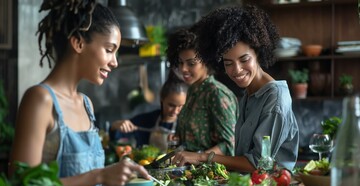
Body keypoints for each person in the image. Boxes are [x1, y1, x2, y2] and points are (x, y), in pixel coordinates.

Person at [8, 0, 149, 186]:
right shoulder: (40, 99)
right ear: (78, 43)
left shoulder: (86, 104)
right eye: (109, 50)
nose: (115, 61)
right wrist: (99, 175)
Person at [172, 5, 299, 172]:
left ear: (258, 54)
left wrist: (201, 157)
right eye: (228, 63)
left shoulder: (275, 99)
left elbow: (258, 164)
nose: (237, 70)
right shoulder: (250, 94)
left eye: (244, 59)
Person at [166, 28, 239, 156]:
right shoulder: (193, 90)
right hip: (191, 171)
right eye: (181, 63)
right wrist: (178, 138)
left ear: (206, 61)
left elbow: (230, 144)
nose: (183, 69)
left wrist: (198, 157)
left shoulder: (217, 93)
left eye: (191, 63)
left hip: (214, 174)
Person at [110, 70, 188, 151]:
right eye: (171, 105)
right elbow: (117, 138)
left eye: (180, 106)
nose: (175, 111)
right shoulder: (145, 121)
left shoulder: (187, 125)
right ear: (162, 98)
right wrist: (115, 126)